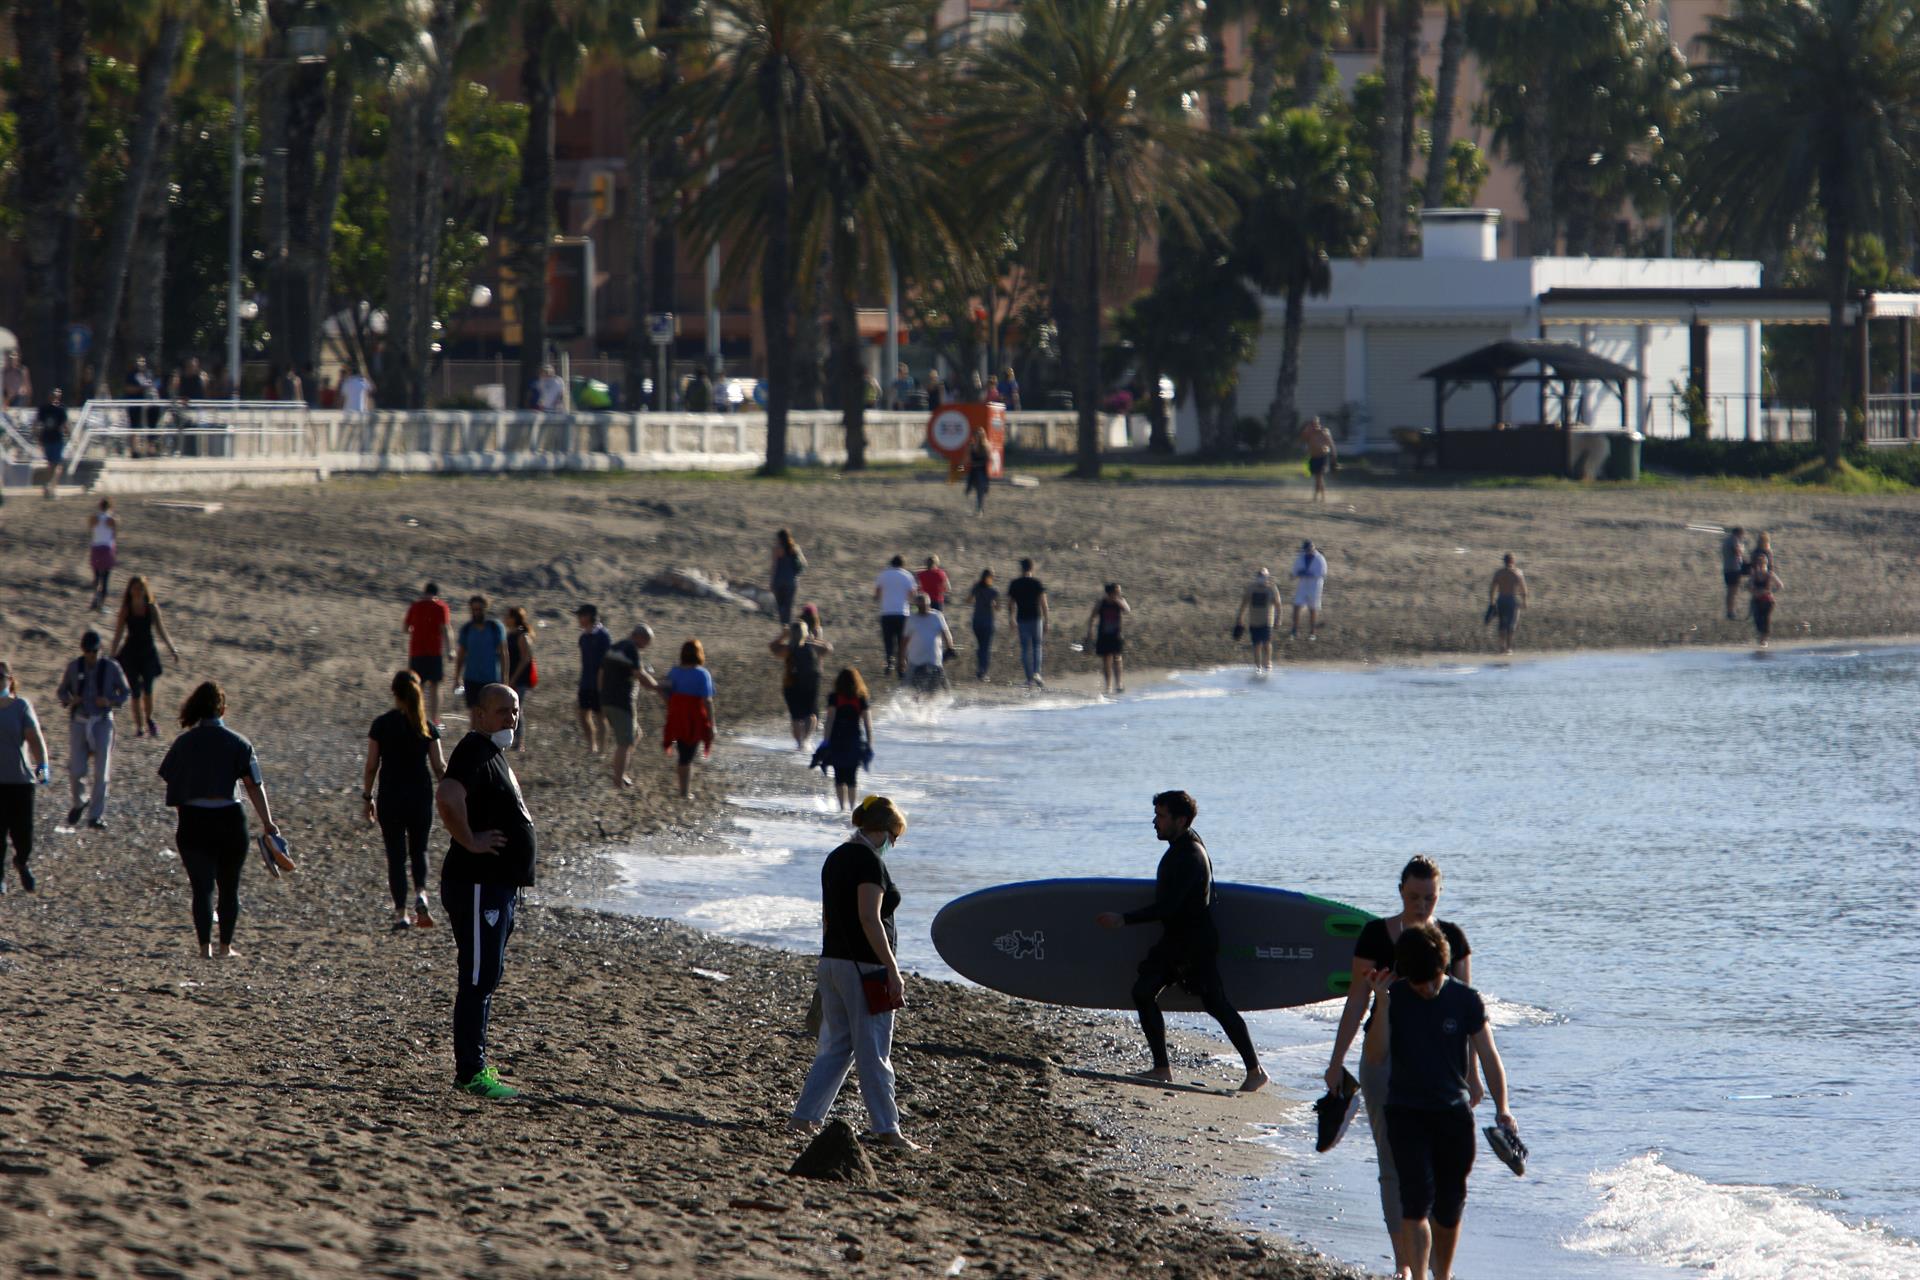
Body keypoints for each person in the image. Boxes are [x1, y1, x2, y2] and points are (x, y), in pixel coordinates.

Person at [1323, 856, 1475, 1280]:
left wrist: (1474, 1077)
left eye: (1429, 897)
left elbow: (1469, 1016)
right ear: (1400, 892)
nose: (1422, 905)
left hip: (1442, 1069)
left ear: (1439, 895)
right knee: (1393, 1165)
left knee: (1442, 1171)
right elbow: (1356, 1001)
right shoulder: (1376, 936)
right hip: (1383, 1060)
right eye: (1413, 897)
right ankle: (1406, 1267)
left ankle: (1437, 1268)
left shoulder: (1454, 940)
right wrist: (1336, 1062)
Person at [1362, 922, 1515, 1280]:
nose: (1427, 989)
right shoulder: (1394, 998)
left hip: (1453, 1116)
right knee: (1415, 1203)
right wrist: (1381, 1004)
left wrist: (1503, 1108)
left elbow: (1490, 1056)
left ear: (1443, 968)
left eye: (1432, 980)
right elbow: (1375, 1056)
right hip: (1405, 1113)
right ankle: (1419, 1276)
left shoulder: (1465, 1000)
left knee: (1448, 1209)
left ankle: (1442, 1275)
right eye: (1418, 983)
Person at [1096, 790, 1268, 1093]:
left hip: (1191, 944)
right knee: (1162, 994)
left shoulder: (1188, 856)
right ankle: (1168, 1069)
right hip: (1183, 939)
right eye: (1156, 815)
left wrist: (1124, 919)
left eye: (1161, 816)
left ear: (1181, 819)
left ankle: (1251, 1071)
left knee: (1202, 1001)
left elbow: (1168, 907)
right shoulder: (1185, 846)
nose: (1154, 822)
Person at [789, 795, 918, 1150]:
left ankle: (804, 1117)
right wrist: (892, 969)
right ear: (882, 831)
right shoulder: (868, 864)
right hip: (864, 967)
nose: (894, 844)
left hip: (832, 961)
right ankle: (887, 1129)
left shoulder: (836, 858)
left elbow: (832, 914)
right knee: (874, 1049)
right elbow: (868, 918)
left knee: (837, 1046)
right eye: (894, 837)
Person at [435, 683, 536, 1099]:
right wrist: (470, 840)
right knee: (477, 978)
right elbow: (446, 795)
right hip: (477, 883)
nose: (510, 719)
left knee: (487, 975)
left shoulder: (492, 753)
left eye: (514, 711)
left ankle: (476, 1064)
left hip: (497, 886)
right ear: (479, 714)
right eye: (502, 712)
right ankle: (470, 1073)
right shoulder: (474, 748)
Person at [159, 681, 282, 959]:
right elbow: (253, 785)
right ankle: (226, 947)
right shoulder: (239, 743)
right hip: (229, 820)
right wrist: (268, 822)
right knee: (229, 887)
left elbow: (171, 780)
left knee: (201, 888)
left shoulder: (184, 743)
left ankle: (205, 948)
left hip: (193, 820)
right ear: (223, 710)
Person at [365, 670, 448, 929]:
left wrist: (367, 796)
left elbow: (371, 766)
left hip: (390, 795)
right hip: (420, 795)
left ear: (394, 693)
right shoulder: (427, 727)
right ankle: (421, 894)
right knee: (419, 849)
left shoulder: (381, 725)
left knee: (396, 856)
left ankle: (401, 912)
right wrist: (452, 793)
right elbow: (439, 766)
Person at [56, 630, 130, 829]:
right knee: (76, 769)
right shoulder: (74, 667)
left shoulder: (112, 667)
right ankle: (80, 801)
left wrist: (110, 701)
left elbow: (125, 692)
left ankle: (96, 815)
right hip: (79, 721)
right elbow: (61, 691)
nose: (91, 655)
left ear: (100, 650)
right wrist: (71, 700)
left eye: (95, 651)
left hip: (102, 721)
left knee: (101, 771)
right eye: (88, 651)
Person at [0, 659, 50, 893]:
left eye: (0, 677)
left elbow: (35, 739)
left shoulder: (21, 707)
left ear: (9, 681)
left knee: (23, 835)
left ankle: (22, 862)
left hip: (20, 781)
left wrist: (42, 768)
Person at [110, 576, 181, 739]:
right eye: (135, 588)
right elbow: (118, 633)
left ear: (145, 590)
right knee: (135, 692)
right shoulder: (126, 609)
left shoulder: (151, 608)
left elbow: (161, 630)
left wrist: (173, 649)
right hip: (130, 654)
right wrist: (112, 655)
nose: (137, 591)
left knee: (148, 691)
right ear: (130, 590)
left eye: (141, 588)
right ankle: (140, 727)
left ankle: (149, 719)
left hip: (148, 653)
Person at [600, 623, 658, 787]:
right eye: (647, 641)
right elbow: (639, 674)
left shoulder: (615, 646)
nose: (646, 646)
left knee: (635, 735)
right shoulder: (631, 649)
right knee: (624, 743)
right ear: (639, 636)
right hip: (621, 701)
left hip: (608, 699)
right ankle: (618, 780)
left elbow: (601, 672)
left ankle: (620, 770)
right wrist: (657, 687)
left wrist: (601, 696)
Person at [661, 640, 716, 800]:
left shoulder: (674, 672)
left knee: (683, 753)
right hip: (694, 718)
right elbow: (707, 700)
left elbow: (666, 693)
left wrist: (673, 706)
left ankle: (683, 790)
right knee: (687, 756)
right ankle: (684, 792)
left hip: (676, 717)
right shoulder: (702, 673)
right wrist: (712, 724)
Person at [816, 668, 873, 810]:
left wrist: (825, 742)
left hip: (837, 740)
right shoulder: (861, 698)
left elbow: (829, 721)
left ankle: (842, 808)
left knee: (839, 776)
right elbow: (868, 724)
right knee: (852, 777)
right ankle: (853, 808)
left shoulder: (835, 697)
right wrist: (869, 744)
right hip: (855, 740)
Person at [771, 621, 832, 750]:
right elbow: (828, 648)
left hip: (791, 683)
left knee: (796, 716)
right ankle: (806, 740)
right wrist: (814, 639)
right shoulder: (813, 647)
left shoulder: (788, 649)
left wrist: (783, 635)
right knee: (810, 713)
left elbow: (773, 647)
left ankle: (799, 744)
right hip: (811, 682)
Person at [404, 583, 454, 724]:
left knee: (417, 686)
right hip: (434, 653)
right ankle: (435, 719)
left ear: (424, 591)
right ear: (436, 594)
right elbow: (446, 628)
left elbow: (406, 628)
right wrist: (450, 649)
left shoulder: (415, 606)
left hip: (416, 652)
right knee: (436, 686)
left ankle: (416, 717)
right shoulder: (441, 607)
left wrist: (416, 630)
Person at [454, 595, 508, 708]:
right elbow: (461, 655)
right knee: (474, 713)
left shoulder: (495, 628)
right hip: (471, 678)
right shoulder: (467, 629)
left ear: (485, 609)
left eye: (479, 609)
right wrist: (457, 677)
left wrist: (505, 679)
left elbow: (504, 654)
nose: (476, 612)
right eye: (474, 609)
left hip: (491, 679)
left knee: (490, 712)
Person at [900, 593, 955, 696]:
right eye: (919, 606)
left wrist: (950, 648)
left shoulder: (937, 616)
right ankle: (915, 709)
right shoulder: (911, 619)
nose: (922, 608)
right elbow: (904, 640)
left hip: (934, 661)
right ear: (916, 606)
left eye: (924, 606)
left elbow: (946, 633)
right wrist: (902, 659)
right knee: (911, 690)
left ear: (929, 605)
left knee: (940, 690)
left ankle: (936, 708)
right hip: (916, 661)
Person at [574, 604, 611, 754]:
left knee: (600, 716)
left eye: (581, 615)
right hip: (585, 682)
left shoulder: (603, 636)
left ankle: (602, 749)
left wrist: (603, 685)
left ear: (589, 616)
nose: (578, 619)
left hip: (600, 684)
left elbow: (606, 663)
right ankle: (591, 746)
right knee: (583, 715)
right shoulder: (583, 637)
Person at [1007, 558, 1049, 687]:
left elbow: (1010, 604)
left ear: (1021, 568)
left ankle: (1029, 678)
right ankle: (1037, 673)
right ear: (1032, 568)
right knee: (1037, 646)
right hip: (1036, 617)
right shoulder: (1037, 583)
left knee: (1025, 648)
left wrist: (1011, 618)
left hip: (1022, 618)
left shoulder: (1015, 584)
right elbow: (1044, 604)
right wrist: (1047, 620)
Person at [873, 555, 916, 677]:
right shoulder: (907, 575)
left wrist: (881, 599)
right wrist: (912, 606)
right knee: (902, 640)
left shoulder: (883, 574)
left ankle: (889, 662)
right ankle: (902, 666)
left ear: (891, 563)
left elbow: (877, 593)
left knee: (888, 639)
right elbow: (912, 594)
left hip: (886, 612)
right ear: (903, 564)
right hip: (902, 613)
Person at [1086, 582, 1131, 695]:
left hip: (1116, 634)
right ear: (1110, 593)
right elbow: (1092, 617)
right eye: (1117, 592)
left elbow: (1127, 610)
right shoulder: (1101, 603)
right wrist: (1090, 632)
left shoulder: (1120, 601)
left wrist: (1118, 601)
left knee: (1117, 658)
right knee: (1106, 660)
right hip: (1104, 634)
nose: (1119, 593)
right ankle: (1109, 686)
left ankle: (1119, 684)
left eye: (1119, 592)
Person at [503, 606, 537, 751]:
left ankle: (519, 741)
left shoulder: (522, 636)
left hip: (520, 680)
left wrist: (514, 678)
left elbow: (526, 658)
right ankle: (511, 739)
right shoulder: (510, 635)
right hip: (511, 678)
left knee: (517, 709)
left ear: (514, 618)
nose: (505, 619)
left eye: (507, 616)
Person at [1233, 568, 1280, 673]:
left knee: (1267, 642)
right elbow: (1244, 603)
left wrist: (1278, 618)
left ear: (1267, 577)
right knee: (1256, 644)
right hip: (1254, 621)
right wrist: (1240, 617)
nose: (1261, 578)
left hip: (1267, 620)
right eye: (1260, 576)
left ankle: (1267, 663)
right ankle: (1258, 666)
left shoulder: (1272, 589)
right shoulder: (1251, 588)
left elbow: (1278, 605)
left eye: (1263, 576)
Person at [1488, 554, 1528, 656]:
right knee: (1511, 625)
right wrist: (1524, 601)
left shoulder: (1499, 573)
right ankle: (1509, 648)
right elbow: (1524, 590)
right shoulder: (1518, 573)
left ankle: (1502, 647)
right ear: (1513, 561)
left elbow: (1492, 588)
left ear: (1504, 561)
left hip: (1501, 599)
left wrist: (1492, 602)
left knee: (1502, 624)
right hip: (1512, 600)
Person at [85, 498, 119, 611]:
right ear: (110, 507)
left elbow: (91, 530)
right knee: (105, 579)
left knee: (96, 577)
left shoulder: (93, 518)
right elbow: (114, 533)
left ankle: (95, 601)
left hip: (95, 549)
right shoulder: (112, 519)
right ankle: (101, 605)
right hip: (107, 549)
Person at [1292, 539, 1328, 641]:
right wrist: (1297, 573)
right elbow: (1295, 570)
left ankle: (1312, 632)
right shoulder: (1301, 557)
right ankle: (1294, 630)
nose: (1307, 551)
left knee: (1313, 608)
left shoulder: (1320, 559)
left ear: (1313, 548)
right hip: (1303, 585)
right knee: (1297, 606)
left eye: (1309, 549)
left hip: (1314, 586)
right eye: (1306, 549)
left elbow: (1323, 573)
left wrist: (1310, 574)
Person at [771, 529, 808, 625]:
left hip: (778, 580)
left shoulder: (777, 549)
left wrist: (771, 581)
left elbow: (774, 566)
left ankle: (784, 627)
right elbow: (803, 563)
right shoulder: (795, 548)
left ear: (779, 538)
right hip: (791, 581)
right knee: (789, 606)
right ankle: (789, 626)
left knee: (780, 606)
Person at [968, 569, 998, 681]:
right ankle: (983, 672)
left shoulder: (976, 588)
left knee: (980, 647)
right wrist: (993, 604)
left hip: (977, 620)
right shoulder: (994, 591)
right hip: (988, 621)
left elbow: (968, 600)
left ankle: (980, 669)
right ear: (990, 577)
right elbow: (998, 608)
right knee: (986, 648)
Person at [1750, 548, 1783, 647]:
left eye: (1762, 563)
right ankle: (1761, 638)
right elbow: (1749, 586)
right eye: (1759, 563)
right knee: (1757, 620)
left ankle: (1764, 640)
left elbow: (1780, 585)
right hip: (1757, 600)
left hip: (1768, 601)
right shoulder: (1754, 574)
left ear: (1766, 563)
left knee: (1766, 619)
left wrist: (1770, 592)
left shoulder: (1770, 574)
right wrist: (1754, 591)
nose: (1760, 565)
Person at [1300, 415, 1337, 502]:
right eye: (1312, 424)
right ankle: (1320, 496)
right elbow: (1302, 439)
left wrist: (1334, 455)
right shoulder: (1309, 433)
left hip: (1323, 457)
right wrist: (1306, 430)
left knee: (1319, 477)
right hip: (1313, 458)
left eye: (1316, 423)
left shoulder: (1324, 432)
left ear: (1319, 423)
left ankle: (1319, 497)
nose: (1314, 425)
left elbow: (1331, 444)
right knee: (1317, 477)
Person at [37, 389, 67, 495]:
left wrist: (37, 437)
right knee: (56, 465)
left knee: (51, 464)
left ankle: (47, 485)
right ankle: (51, 488)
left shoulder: (45, 408)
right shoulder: (59, 409)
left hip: (50, 439)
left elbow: (36, 424)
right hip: (54, 439)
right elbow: (65, 425)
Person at [1720, 526, 1748, 621]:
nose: (1742, 537)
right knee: (1733, 592)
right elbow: (1738, 552)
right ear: (1739, 533)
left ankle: (1730, 611)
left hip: (1727, 568)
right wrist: (1742, 547)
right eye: (1742, 535)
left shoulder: (1726, 540)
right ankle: (1731, 612)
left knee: (1730, 591)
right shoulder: (1734, 539)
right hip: (1734, 569)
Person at [964, 424, 992, 515]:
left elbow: (990, 459)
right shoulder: (971, 446)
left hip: (982, 471)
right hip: (973, 471)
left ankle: (980, 509)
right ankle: (972, 508)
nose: (977, 437)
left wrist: (990, 468)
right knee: (968, 490)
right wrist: (959, 469)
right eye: (976, 435)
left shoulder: (986, 446)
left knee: (980, 490)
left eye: (979, 435)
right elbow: (966, 461)